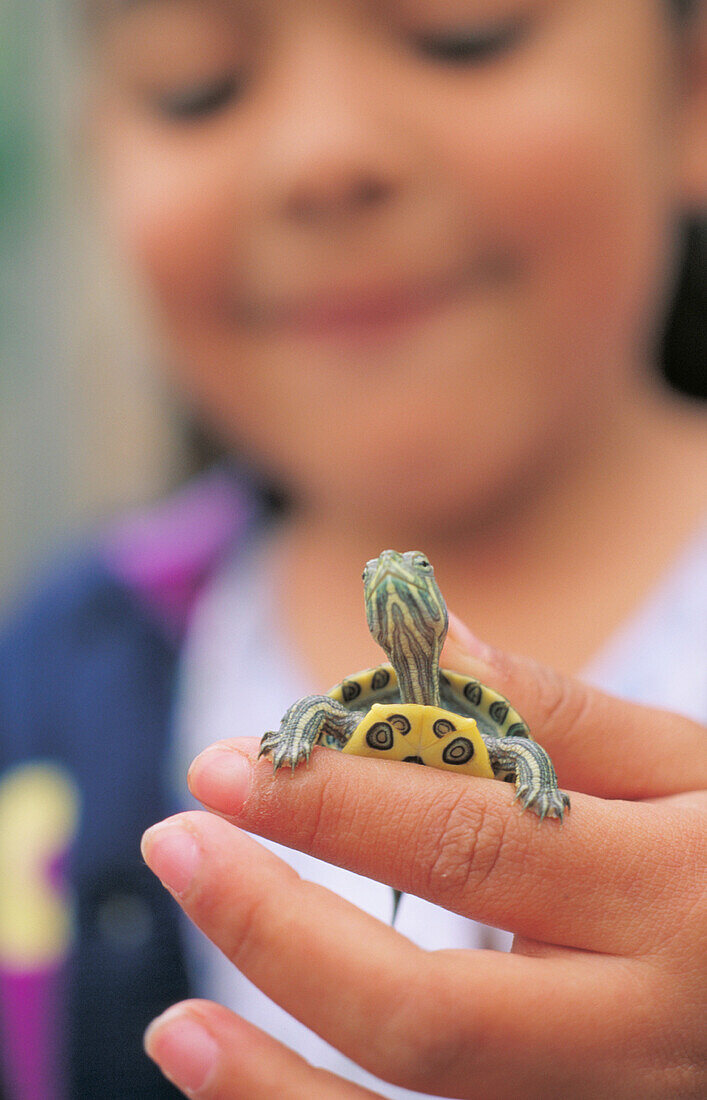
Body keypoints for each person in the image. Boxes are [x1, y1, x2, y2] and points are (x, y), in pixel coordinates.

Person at [1, 1, 705, 1097]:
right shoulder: (54, 672)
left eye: (460, 31)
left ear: (692, 85)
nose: (323, 155)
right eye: (197, 83)